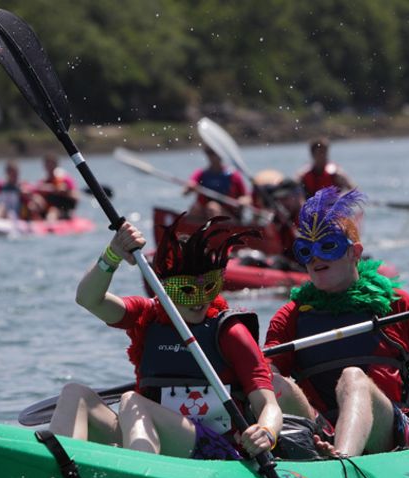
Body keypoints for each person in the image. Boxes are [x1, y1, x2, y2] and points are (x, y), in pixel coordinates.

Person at [48, 215, 283, 460]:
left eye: (208, 288)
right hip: (152, 435)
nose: (200, 300)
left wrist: (266, 431)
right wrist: (113, 254)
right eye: (186, 290)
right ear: (165, 290)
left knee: (131, 400)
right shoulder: (147, 316)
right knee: (74, 394)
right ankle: (61, 473)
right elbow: (88, 298)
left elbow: (269, 406)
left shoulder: (231, 332)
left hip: (217, 450)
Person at [264, 187, 409, 457]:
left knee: (353, 378)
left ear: (354, 253)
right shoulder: (290, 316)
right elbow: (263, 385)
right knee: (272, 383)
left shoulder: (395, 304)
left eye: (328, 246)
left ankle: (344, 461)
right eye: (306, 250)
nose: (315, 258)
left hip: (387, 431)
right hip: (320, 431)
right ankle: (300, 452)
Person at [184, 146, 248, 222]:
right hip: (205, 214)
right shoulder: (200, 174)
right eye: (209, 153)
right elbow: (185, 192)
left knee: (213, 207)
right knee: (194, 209)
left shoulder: (233, 175)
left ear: (221, 154)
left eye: (214, 153)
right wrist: (190, 187)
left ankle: (216, 231)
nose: (212, 156)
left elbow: (246, 197)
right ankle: (190, 230)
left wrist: (243, 201)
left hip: (229, 216)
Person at [27, 154, 79, 220]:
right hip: (46, 209)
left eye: (52, 164)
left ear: (56, 165)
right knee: (32, 206)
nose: (50, 167)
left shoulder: (65, 180)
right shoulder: (43, 182)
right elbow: (32, 192)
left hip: (62, 209)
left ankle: (49, 225)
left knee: (53, 212)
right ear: (45, 166)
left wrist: (65, 191)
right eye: (48, 165)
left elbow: (76, 197)